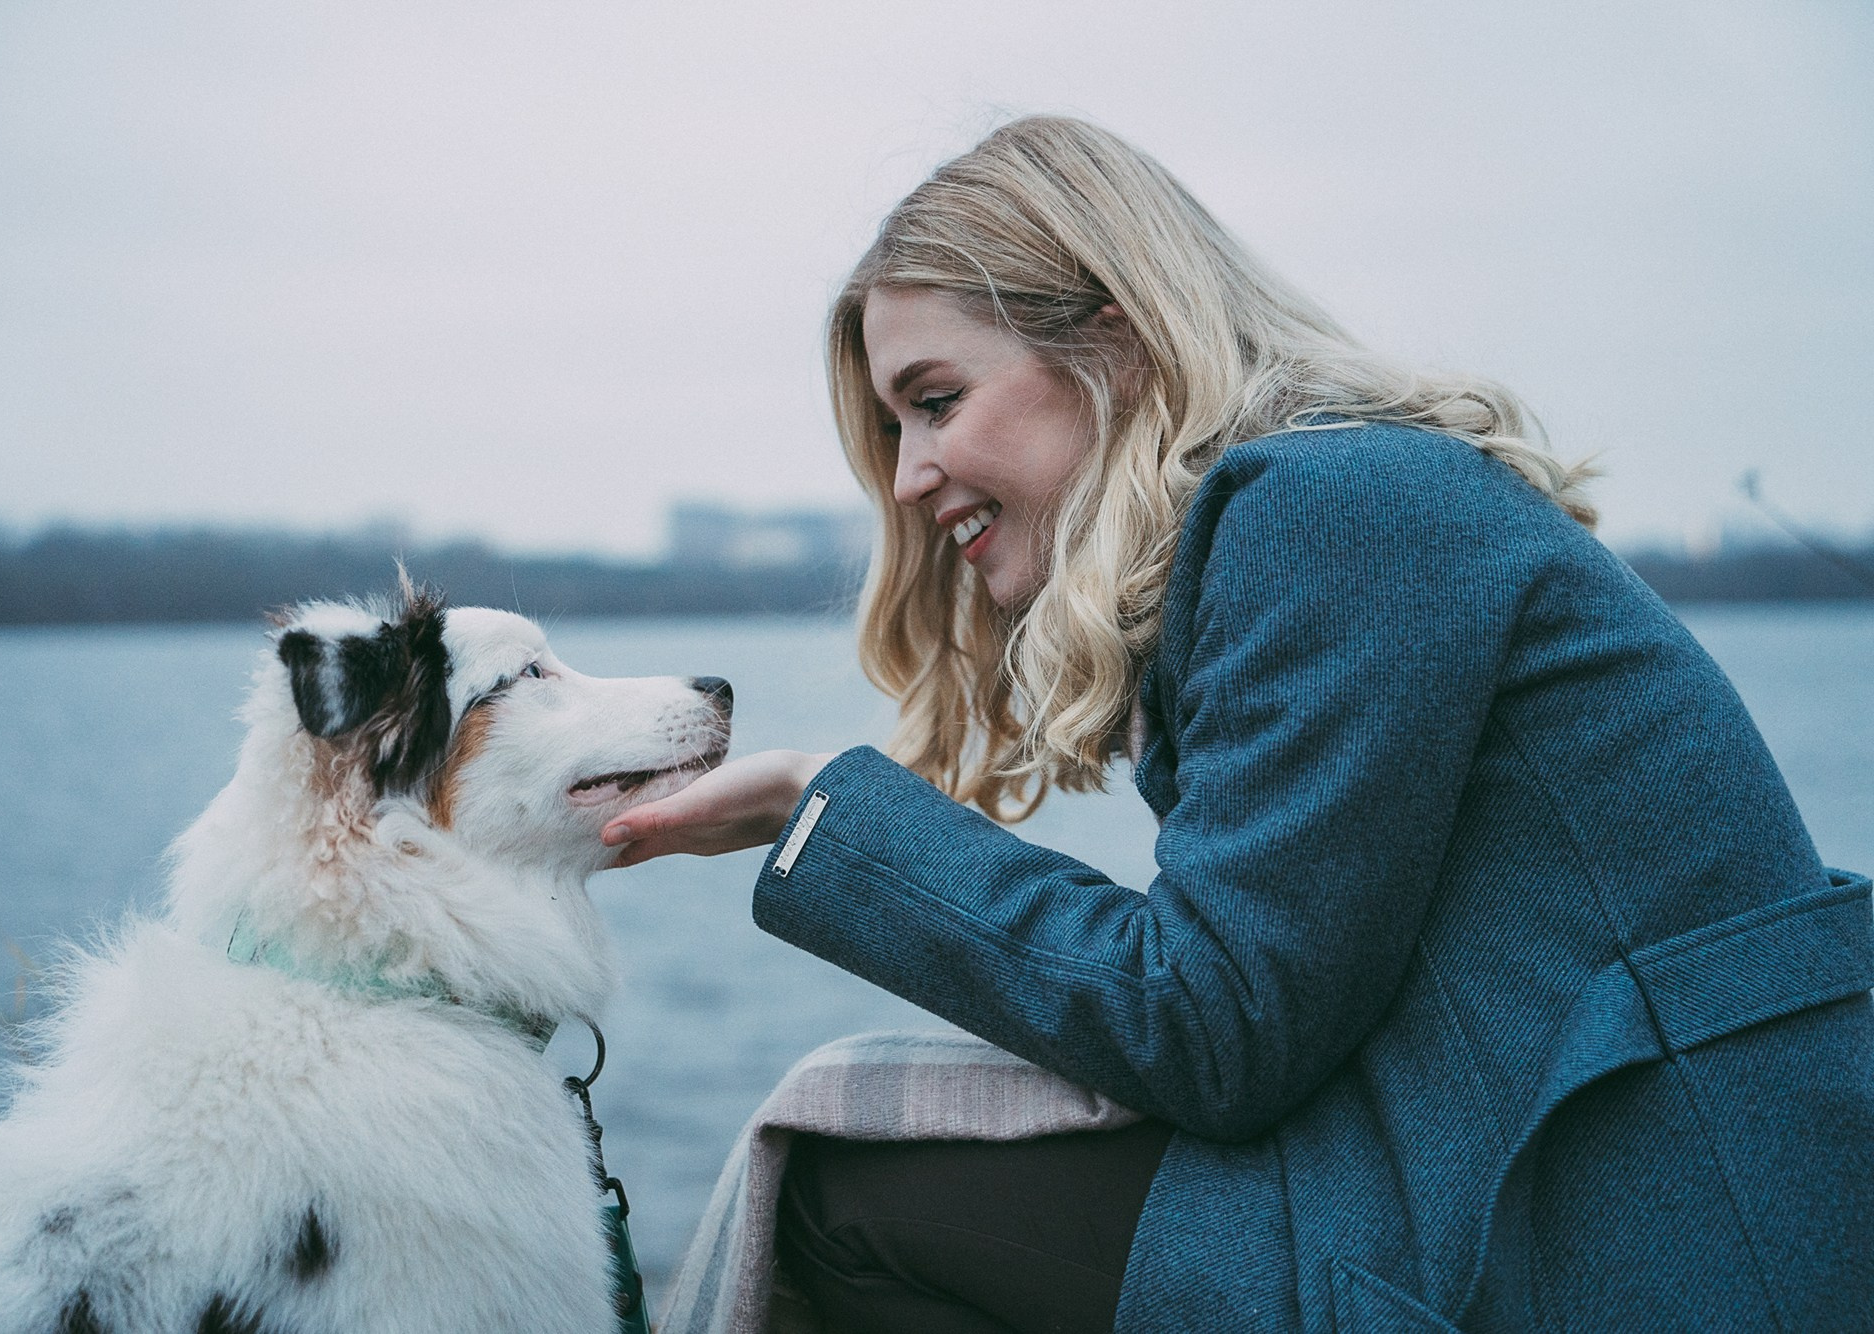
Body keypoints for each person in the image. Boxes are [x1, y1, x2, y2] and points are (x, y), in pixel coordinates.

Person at [601, 116, 1874, 1332]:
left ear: (1117, 342)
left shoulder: (1331, 507)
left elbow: (1213, 1031)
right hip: (1536, 1190)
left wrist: (816, 801)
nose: (905, 472)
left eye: (934, 400)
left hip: (1645, 1254)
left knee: (843, 1196)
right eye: (891, 426)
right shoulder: (1328, 505)